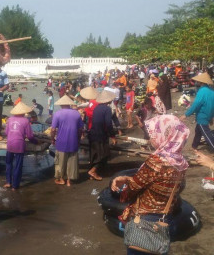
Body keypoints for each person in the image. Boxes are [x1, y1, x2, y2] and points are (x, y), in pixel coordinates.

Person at [111, 115, 190, 255]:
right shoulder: (180, 163)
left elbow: (132, 190)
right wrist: (128, 179)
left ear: (166, 135)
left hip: (144, 220)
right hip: (164, 219)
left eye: (154, 133)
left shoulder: (156, 162)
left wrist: (124, 184)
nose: (152, 138)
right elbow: (157, 183)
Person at [51, 95, 83, 187]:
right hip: (73, 141)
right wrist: (78, 139)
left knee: (60, 162)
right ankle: (69, 181)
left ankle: (61, 179)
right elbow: (80, 129)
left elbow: (53, 130)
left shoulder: (57, 114)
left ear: (61, 104)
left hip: (61, 141)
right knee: (72, 162)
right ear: (69, 104)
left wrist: (52, 139)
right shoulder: (76, 113)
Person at [5, 102, 37, 190]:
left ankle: (8, 182)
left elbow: (6, 132)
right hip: (19, 145)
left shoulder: (10, 119)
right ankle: (15, 186)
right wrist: (35, 141)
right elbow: (30, 136)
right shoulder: (25, 121)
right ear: (23, 112)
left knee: (8, 163)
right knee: (18, 166)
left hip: (10, 144)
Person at [180, 72, 214, 151]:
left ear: (201, 82)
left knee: (206, 134)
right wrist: (211, 117)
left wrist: (186, 114)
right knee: (198, 131)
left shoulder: (201, 91)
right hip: (208, 114)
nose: (197, 82)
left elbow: (196, 105)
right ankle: (194, 146)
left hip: (202, 115)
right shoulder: (212, 91)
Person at [88, 90, 116, 181]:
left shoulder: (97, 108)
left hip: (93, 133)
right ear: (108, 100)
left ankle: (92, 172)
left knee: (94, 154)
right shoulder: (107, 109)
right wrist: (112, 136)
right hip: (100, 134)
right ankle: (93, 171)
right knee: (103, 154)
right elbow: (108, 124)